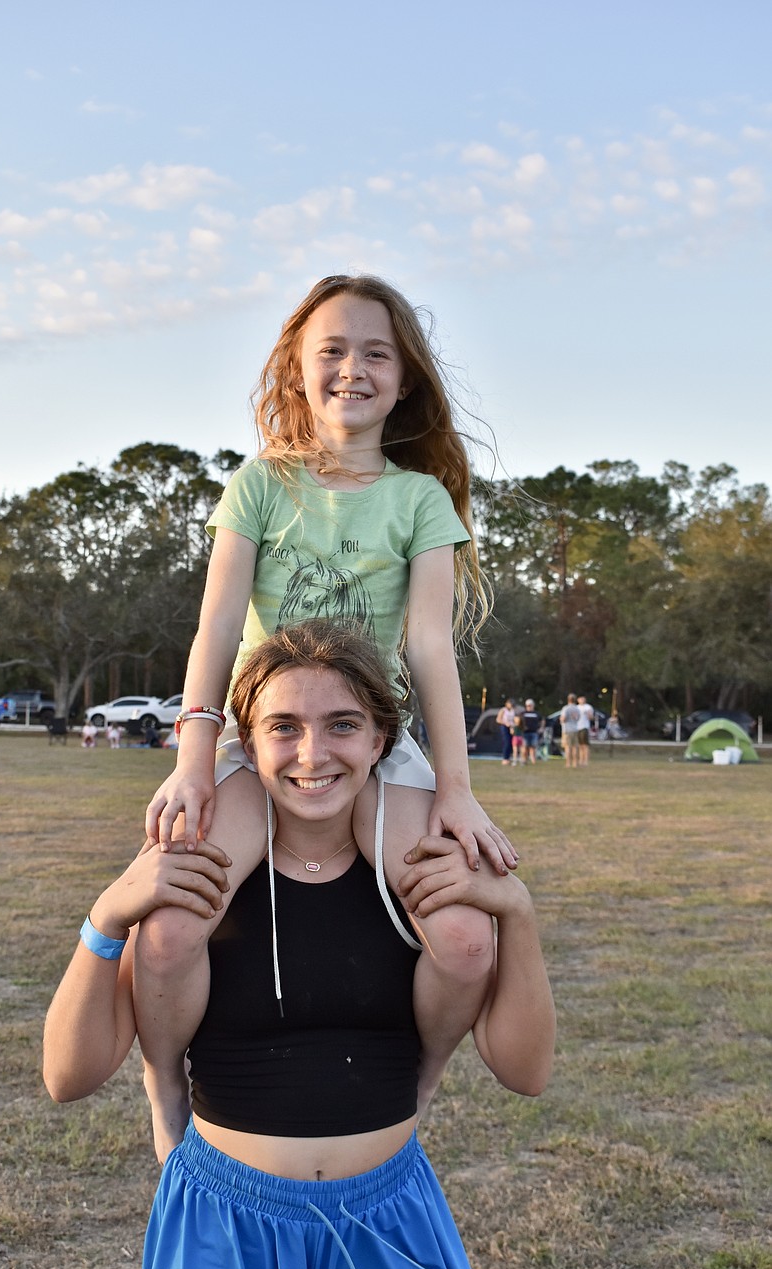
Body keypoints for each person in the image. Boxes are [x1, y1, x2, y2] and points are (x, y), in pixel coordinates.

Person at [135, 273, 519, 1160]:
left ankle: (418, 1086)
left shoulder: (419, 501)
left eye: (376, 353)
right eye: (333, 351)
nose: (354, 368)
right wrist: (195, 759)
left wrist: (454, 788)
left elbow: (431, 648)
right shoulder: (261, 484)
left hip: (373, 745)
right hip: (260, 740)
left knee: (466, 939)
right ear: (298, 370)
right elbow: (216, 629)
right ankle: (164, 1081)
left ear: (404, 378)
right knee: (170, 929)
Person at [43, 622, 556, 1269]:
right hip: (224, 1222)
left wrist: (518, 913)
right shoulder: (202, 883)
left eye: (343, 724)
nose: (313, 755)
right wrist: (108, 915)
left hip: (388, 1218)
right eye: (283, 727)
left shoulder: (420, 882)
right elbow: (67, 1077)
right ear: (248, 743)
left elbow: (527, 1074)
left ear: (379, 740)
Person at [559, 694, 580, 769]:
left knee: (567, 747)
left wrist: (561, 719)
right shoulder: (577, 708)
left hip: (567, 730)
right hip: (575, 729)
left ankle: (568, 763)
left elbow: (563, 718)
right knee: (575, 747)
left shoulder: (566, 708)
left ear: (568, 700)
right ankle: (575, 763)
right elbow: (578, 718)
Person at [520, 699, 542, 765]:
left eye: (530, 705)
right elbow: (518, 721)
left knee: (533, 747)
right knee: (525, 747)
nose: (529, 707)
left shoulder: (537, 713)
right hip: (525, 733)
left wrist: (541, 728)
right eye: (528, 705)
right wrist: (521, 727)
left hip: (534, 732)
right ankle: (524, 760)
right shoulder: (523, 713)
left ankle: (533, 761)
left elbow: (542, 721)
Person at [576, 694, 595, 766]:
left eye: (583, 698)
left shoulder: (588, 707)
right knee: (580, 745)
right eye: (580, 699)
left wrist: (588, 714)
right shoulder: (576, 707)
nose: (582, 700)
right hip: (577, 727)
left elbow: (591, 717)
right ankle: (581, 760)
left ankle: (586, 760)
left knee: (585, 745)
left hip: (584, 727)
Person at [497, 698, 516, 765]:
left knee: (511, 743)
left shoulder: (513, 710)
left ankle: (508, 758)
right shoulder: (503, 710)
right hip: (504, 727)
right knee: (506, 742)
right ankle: (505, 758)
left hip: (511, 727)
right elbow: (498, 720)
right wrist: (505, 723)